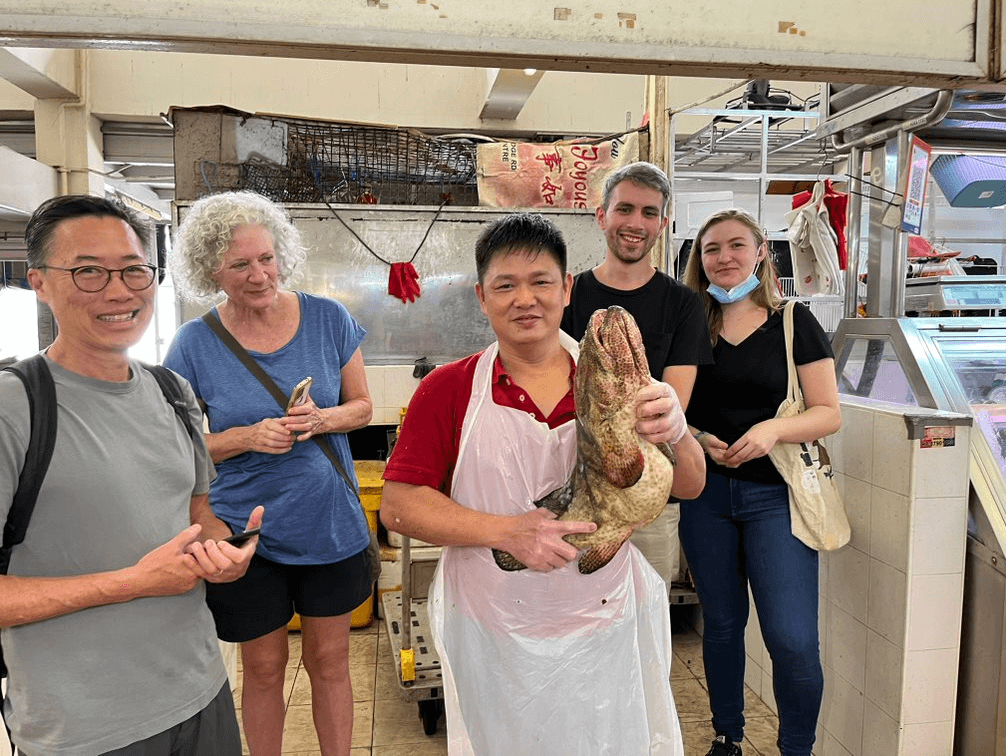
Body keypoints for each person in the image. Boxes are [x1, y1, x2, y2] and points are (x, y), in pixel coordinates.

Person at [380, 212, 705, 755]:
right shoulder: (449, 390)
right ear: (482, 297)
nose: (524, 299)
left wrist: (680, 433)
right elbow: (398, 507)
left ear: (567, 289)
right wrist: (508, 532)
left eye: (540, 282)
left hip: (603, 619)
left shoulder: (620, 382)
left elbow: (690, 485)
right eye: (505, 286)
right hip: (495, 629)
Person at [0, 195, 261, 756]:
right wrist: (131, 583)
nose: (118, 291)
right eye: (88, 271)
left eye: (133, 269)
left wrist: (222, 553)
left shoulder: (172, 392)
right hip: (85, 729)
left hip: (202, 694)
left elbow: (197, 513)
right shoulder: (14, 407)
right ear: (39, 282)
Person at [163, 190, 374, 756]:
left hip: (329, 523)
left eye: (266, 258)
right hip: (243, 534)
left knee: (330, 661)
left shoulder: (328, 319)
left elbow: (362, 407)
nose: (259, 275)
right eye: (240, 264)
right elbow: (175, 448)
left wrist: (322, 418)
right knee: (262, 667)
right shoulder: (192, 345)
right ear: (212, 270)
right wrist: (245, 438)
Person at [680, 209, 841, 756]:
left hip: (777, 497)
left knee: (792, 641)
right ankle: (727, 735)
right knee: (721, 627)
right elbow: (668, 409)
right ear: (698, 262)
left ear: (761, 253)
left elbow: (827, 413)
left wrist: (774, 429)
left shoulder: (794, 322)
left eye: (736, 246)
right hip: (705, 498)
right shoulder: (690, 328)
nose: (724, 258)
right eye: (711, 250)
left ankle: (796, 747)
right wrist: (698, 436)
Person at [561, 160, 713, 584]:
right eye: (624, 209)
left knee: (643, 628)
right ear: (601, 216)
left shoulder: (684, 304)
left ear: (663, 223)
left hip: (649, 505)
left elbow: (670, 411)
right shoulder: (568, 294)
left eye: (649, 213)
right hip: (575, 488)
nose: (635, 222)